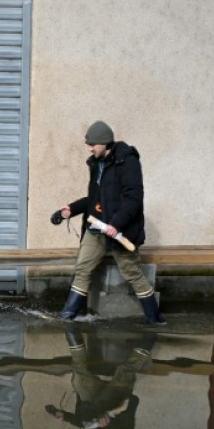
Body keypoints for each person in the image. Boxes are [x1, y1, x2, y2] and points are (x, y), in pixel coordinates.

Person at [52, 120, 164, 325]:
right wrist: (72, 209)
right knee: (82, 269)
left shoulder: (126, 161)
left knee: (132, 273)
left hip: (120, 230)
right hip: (95, 228)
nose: (90, 147)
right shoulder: (96, 163)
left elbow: (134, 198)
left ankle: (155, 319)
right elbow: (94, 199)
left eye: (93, 143)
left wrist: (116, 223)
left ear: (105, 143)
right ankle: (67, 316)